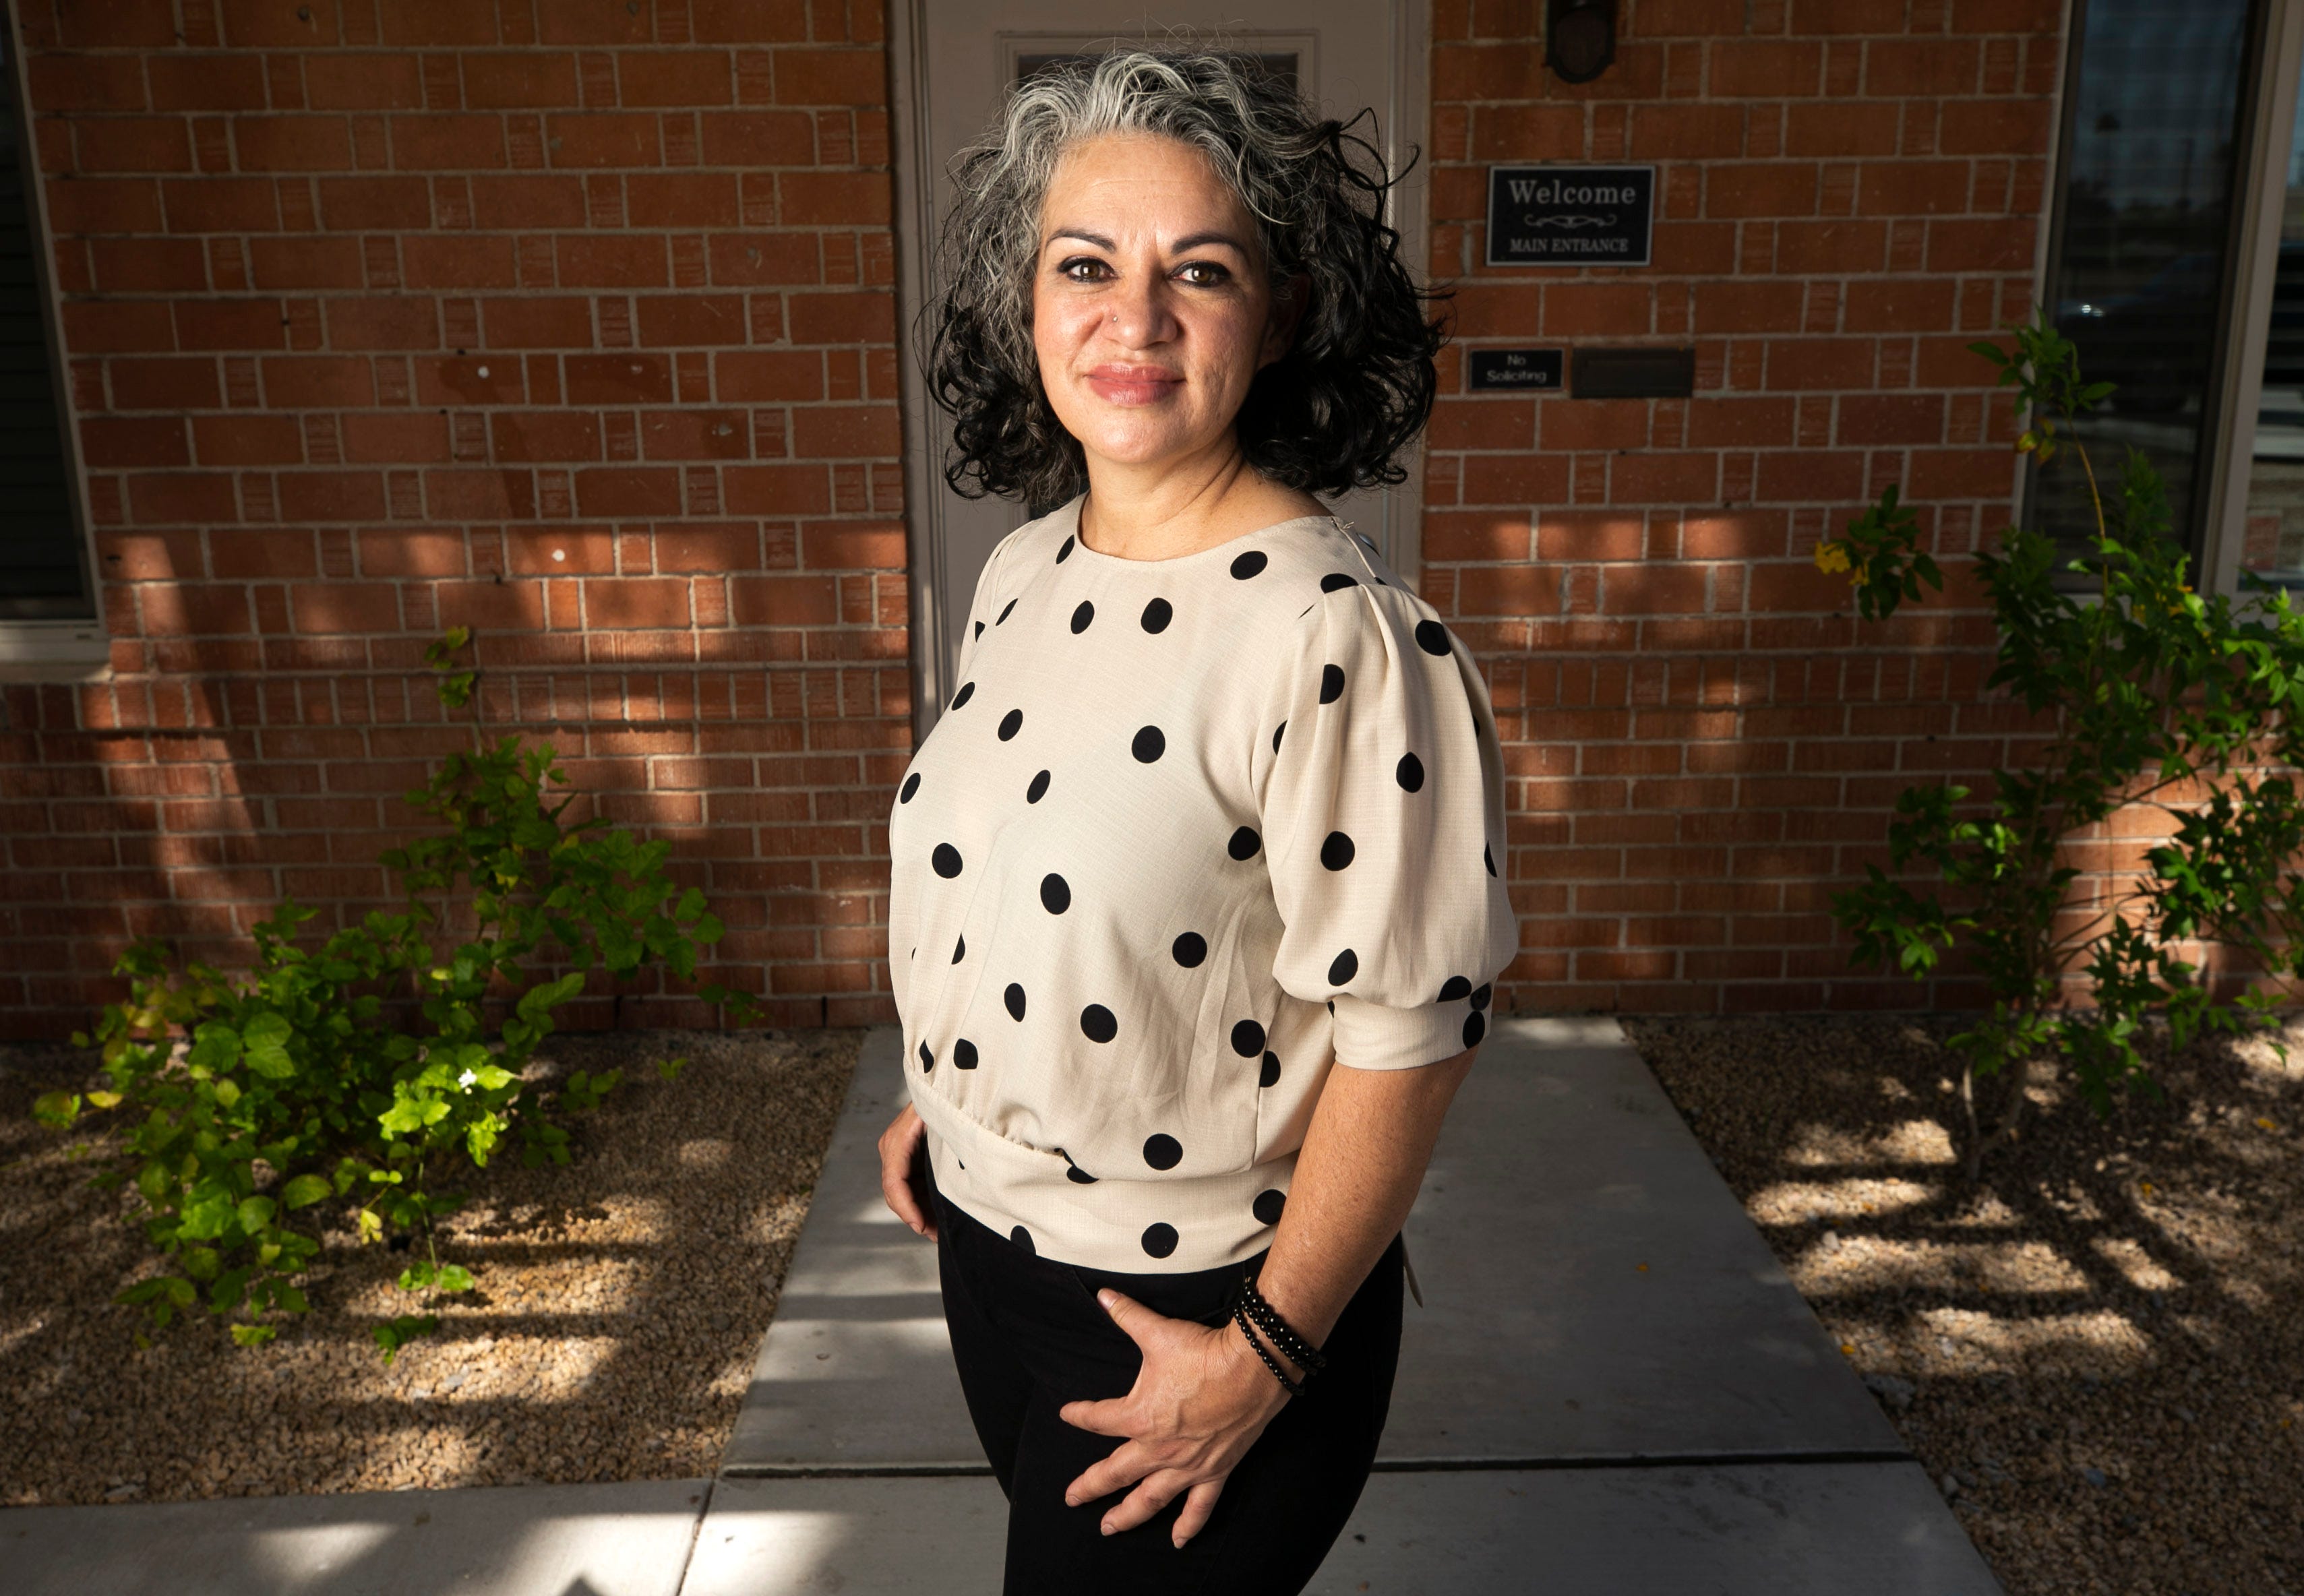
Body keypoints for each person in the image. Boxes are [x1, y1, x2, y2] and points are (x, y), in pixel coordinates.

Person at [878, 44, 1517, 1596]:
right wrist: (956, 1097)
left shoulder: (1338, 635)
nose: (1133, 317)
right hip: (992, 1252)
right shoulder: (1026, 570)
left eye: (1200, 270)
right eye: (1083, 263)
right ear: (1021, 300)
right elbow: (1016, 863)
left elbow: (1406, 1030)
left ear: (1281, 312)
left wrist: (1263, 1356)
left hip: (1206, 1309)